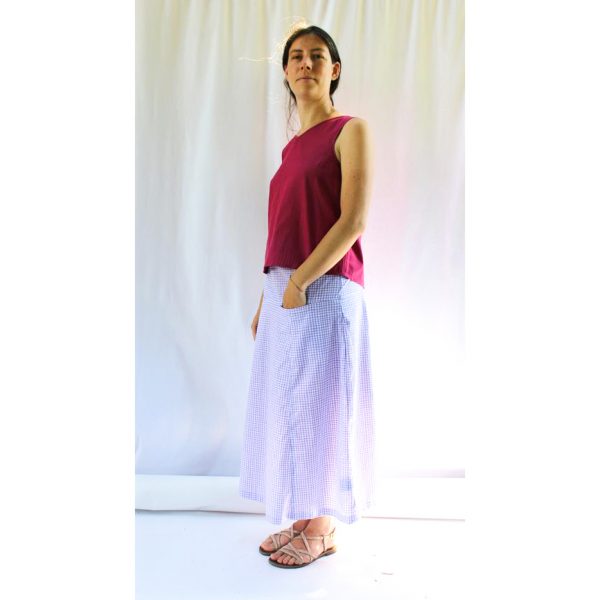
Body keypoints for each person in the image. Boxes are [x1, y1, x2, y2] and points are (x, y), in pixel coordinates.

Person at [238, 24, 376, 569]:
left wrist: (298, 282)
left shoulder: (350, 130)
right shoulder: (292, 148)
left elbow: (353, 219)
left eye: (317, 56)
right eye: (296, 56)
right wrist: (266, 298)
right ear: (286, 72)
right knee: (295, 403)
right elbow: (284, 227)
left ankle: (323, 527)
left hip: (326, 285)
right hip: (286, 288)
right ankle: (305, 514)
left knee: (323, 401)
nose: (305, 64)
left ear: (334, 70)